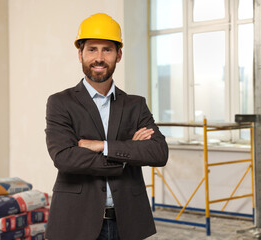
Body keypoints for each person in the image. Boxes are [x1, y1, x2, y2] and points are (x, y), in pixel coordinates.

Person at [44, 13, 168, 240]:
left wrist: (102, 146)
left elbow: (159, 152)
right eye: (92, 49)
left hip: (127, 221)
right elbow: (64, 157)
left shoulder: (135, 105)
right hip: (76, 220)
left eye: (107, 50)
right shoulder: (60, 102)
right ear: (80, 54)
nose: (99, 58)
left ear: (119, 55)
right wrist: (127, 152)